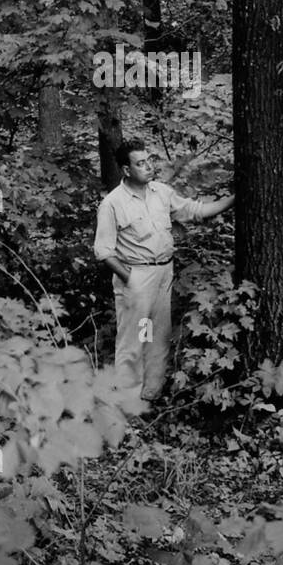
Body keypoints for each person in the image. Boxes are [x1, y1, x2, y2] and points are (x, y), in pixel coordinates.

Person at [93, 139, 235, 408]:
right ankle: (126, 403)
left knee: (157, 336)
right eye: (141, 163)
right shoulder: (113, 203)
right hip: (136, 276)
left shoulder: (161, 192)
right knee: (133, 340)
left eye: (149, 160)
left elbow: (197, 211)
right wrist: (130, 278)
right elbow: (103, 251)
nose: (149, 166)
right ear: (126, 169)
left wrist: (236, 198)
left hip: (163, 273)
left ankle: (151, 395)